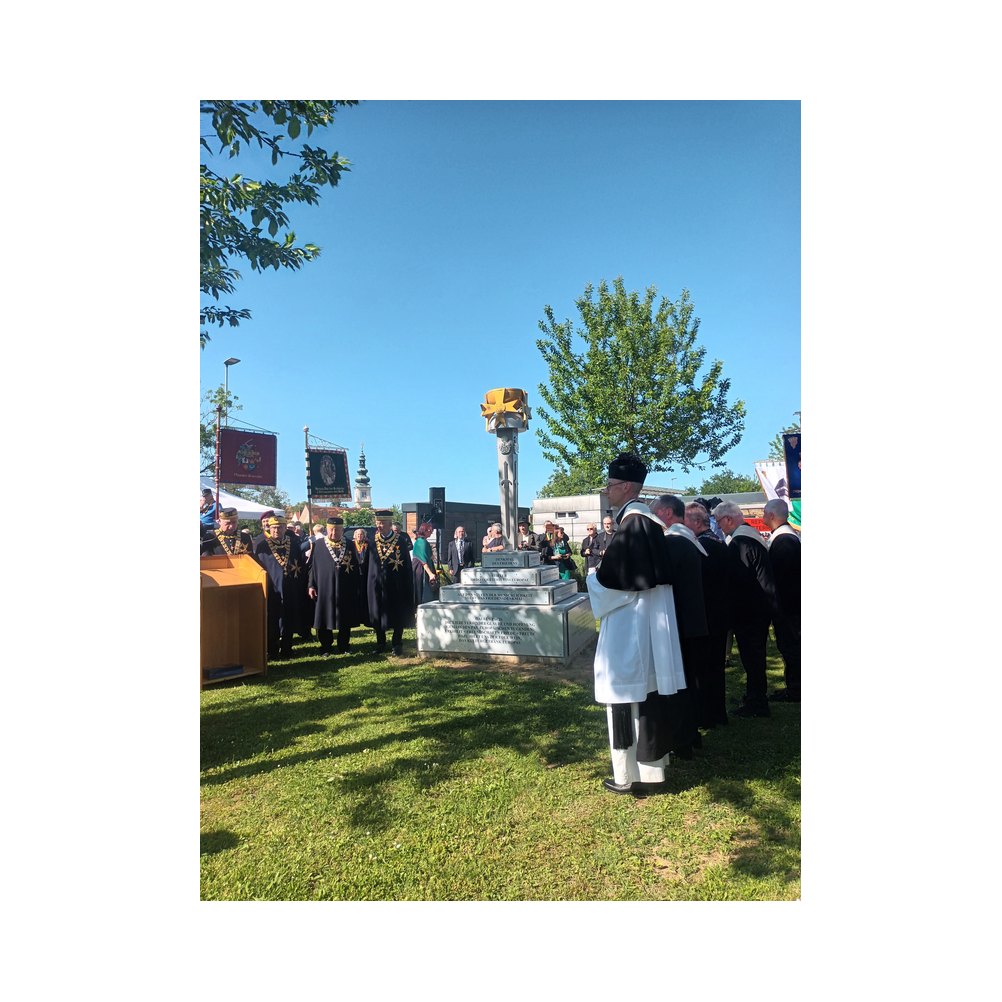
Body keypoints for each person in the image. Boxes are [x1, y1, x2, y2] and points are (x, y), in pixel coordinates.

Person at [587, 453, 687, 796]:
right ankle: (650, 772)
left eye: (611, 485)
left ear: (627, 486)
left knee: (626, 696)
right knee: (647, 699)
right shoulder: (646, 521)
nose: (607, 491)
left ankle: (626, 776)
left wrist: (591, 579)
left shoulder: (632, 523)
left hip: (630, 628)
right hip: (645, 624)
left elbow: (616, 583)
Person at [650, 495, 710, 755]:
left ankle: (682, 740)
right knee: (691, 680)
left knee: (679, 683)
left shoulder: (673, 542)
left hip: (680, 622)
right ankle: (692, 733)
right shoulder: (688, 539)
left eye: (654, 513)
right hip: (693, 619)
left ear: (665, 513)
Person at [712, 501, 778, 718]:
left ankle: (758, 702)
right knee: (753, 656)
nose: (719, 526)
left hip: (750, 609)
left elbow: (738, 578)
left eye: (719, 521)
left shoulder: (740, 542)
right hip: (759, 606)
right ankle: (754, 696)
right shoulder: (751, 537)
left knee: (753, 657)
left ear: (728, 519)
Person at [684, 502, 730, 727]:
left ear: (694, 522)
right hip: (720, 613)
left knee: (703, 668)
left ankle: (706, 715)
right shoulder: (719, 541)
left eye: (685, 521)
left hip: (706, 615)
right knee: (715, 667)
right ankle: (717, 713)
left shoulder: (701, 546)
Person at [763, 499, 801, 702]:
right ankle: (792, 686)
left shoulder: (784, 541)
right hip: (790, 605)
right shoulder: (786, 538)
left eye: (763, 512)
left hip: (789, 606)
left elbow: (781, 578)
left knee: (791, 647)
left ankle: (796, 690)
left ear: (771, 515)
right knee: (789, 647)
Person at [254, 513, 306, 659]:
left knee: (290, 617)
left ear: (285, 528)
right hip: (272, 589)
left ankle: (287, 648)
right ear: (269, 528)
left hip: (291, 588)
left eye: (280, 527)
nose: (277, 531)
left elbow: (300, 564)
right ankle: (272, 650)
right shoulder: (263, 546)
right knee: (273, 619)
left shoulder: (294, 544)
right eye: (274, 528)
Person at [367, 509, 416, 656]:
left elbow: (406, 565)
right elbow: (368, 563)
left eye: (382, 523)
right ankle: (380, 643)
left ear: (389, 523)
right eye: (377, 523)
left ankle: (397, 643)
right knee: (378, 612)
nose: (379, 526)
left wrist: (407, 583)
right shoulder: (373, 541)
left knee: (397, 613)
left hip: (396, 584)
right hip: (377, 584)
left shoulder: (400, 541)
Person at [307, 517, 357, 656]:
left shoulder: (350, 545)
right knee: (324, 615)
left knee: (345, 615)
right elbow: (311, 566)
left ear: (342, 530)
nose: (333, 533)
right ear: (326, 529)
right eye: (331, 529)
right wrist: (311, 585)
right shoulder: (318, 545)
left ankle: (344, 645)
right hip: (323, 586)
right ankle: (326, 647)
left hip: (345, 586)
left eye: (337, 530)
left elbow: (356, 566)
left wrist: (355, 586)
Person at [412, 522, 439, 605]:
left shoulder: (423, 541)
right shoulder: (421, 542)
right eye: (430, 530)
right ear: (425, 530)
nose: (431, 532)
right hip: (421, 570)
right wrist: (430, 574)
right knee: (424, 592)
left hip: (423, 568)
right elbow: (423, 561)